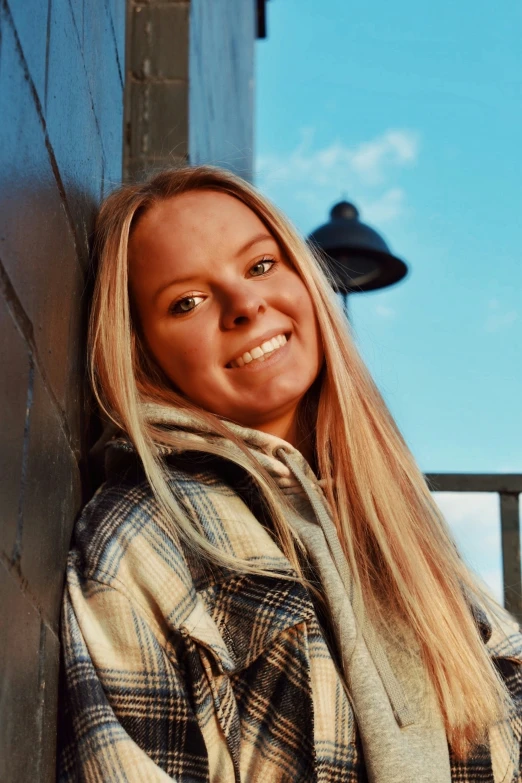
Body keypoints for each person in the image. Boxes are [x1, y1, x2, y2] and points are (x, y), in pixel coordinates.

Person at [58, 165, 522, 783]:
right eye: (187, 302)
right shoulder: (141, 536)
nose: (246, 304)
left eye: (259, 266)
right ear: (143, 351)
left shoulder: (396, 526)